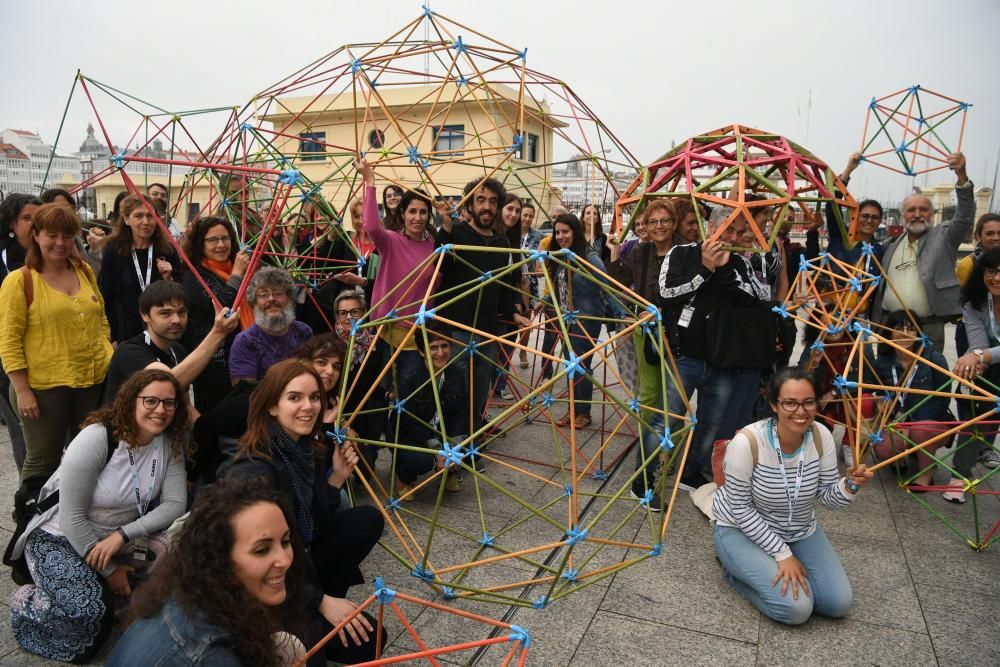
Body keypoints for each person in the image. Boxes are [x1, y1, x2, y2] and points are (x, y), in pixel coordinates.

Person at [9, 369, 190, 662]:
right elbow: (72, 518)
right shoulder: (98, 437)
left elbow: (174, 504)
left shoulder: (169, 442)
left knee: (171, 556)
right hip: (61, 538)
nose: (161, 410)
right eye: (151, 401)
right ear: (132, 401)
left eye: (169, 403)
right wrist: (111, 571)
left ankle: (111, 591)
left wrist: (122, 536)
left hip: (117, 539)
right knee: (89, 613)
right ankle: (29, 602)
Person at [225, 359, 384, 663]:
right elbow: (251, 559)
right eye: (294, 398)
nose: (308, 407)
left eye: (314, 397)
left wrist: (336, 477)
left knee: (367, 519)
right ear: (272, 406)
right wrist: (319, 600)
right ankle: (302, 614)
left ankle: (320, 602)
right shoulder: (254, 468)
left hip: (299, 563)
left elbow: (316, 526)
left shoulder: (304, 449)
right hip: (261, 587)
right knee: (319, 655)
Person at [712, 367, 873, 625]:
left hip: (799, 530)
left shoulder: (821, 436)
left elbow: (828, 498)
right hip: (740, 530)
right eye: (790, 403)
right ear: (774, 405)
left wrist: (850, 485)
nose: (800, 411)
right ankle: (733, 571)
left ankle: (766, 571)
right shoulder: (748, 442)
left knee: (838, 604)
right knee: (796, 610)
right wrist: (782, 554)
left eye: (808, 402)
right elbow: (739, 509)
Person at [108, 479, 308, 666]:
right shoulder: (212, 656)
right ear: (219, 560)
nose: (284, 560)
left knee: (289, 647)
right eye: (262, 550)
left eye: (285, 541)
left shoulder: (189, 589)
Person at [0, 203, 113, 486]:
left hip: (90, 381)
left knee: (85, 455)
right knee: (43, 461)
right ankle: (30, 520)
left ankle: (73, 516)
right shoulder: (20, 280)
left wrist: (107, 350)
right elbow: (9, 341)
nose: (60, 242)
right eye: (52, 234)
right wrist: (22, 390)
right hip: (43, 387)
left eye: (67, 235)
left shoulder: (84, 271)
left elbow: (101, 316)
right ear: (36, 235)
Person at [659, 208, 772, 489]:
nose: (732, 237)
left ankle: (691, 470)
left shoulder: (739, 263)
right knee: (666, 418)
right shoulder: (681, 253)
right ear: (711, 228)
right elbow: (667, 293)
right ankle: (646, 477)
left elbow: (752, 299)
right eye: (727, 230)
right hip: (684, 355)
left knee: (710, 422)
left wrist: (721, 269)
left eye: (737, 232)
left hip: (721, 358)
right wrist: (705, 270)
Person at [437, 177, 532, 435]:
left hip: (488, 332)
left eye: (492, 201)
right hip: (455, 329)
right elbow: (438, 269)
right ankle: (451, 445)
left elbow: (500, 289)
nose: (487, 207)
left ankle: (470, 441)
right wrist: (445, 228)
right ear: (469, 205)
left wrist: (514, 313)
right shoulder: (456, 234)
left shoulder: (501, 243)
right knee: (455, 392)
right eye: (480, 200)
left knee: (479, 394)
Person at [609, 200, 676, 503]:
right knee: (650, 401)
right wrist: (627, 312)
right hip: (647, 333)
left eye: (665, 220)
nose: (659, 226)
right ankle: (645, 473)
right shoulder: (641, 252)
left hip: (677, 336)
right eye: (653, 222)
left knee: (676, 403)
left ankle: (669, 458)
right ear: (645, 226)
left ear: (673, 223)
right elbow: (617, 282)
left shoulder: (684, 252)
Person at [871, 152, 973, 350]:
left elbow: (965, 217)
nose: (917, 215)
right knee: (885, 379)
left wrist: (961, 177)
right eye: (911, 210)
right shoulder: (889, 245)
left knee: (927, 379)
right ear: (903, 216)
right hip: (891, 326)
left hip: (929, 327)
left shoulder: (944, 237)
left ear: (932, 214)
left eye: (923, 209)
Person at [356, 159, 437, 392]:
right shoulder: (391, 241)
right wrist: (370, 181)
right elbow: (371, 226)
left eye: (423, 212)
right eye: (412, 211)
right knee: (380, 393)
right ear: (402, 214)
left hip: (416, 336)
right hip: (384, 332)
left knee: (409, 394)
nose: (418, 217)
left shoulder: (436, 248)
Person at [545, 213, 627, 428]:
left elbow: (607, 288)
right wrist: (544, 300)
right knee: (571, 367)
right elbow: (559, 286)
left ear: (575, 232)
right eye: (558, 232)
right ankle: (573, 410)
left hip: (586, 318)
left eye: (566, 232)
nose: (561, 236)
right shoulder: (562, 255)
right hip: (566, 319)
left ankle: (583, 413)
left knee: (581, 367)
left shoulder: (589, 258)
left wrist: (623, 314)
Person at [103, 280, 241, 408]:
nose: (176, 320)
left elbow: (186, 407)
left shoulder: (177, 350)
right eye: (165, 313)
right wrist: (218, 333)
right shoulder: (129, 351)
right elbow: (168, 385)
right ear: (145, 315)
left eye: (181, 312)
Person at [870, 312, 953, 490]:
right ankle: (900, 459)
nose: (905, 333)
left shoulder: (934, 359)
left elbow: (943, 400)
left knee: (919, 431)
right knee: (882, 448)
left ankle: (926, 474)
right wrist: (879, 401)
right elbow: (878, 391)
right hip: (897, 422)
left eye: (911, 328)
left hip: (930, 423)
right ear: (889, 332)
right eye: (899, 328)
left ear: (918, 333)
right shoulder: (883, 363)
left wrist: (911, 425)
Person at [180, 215, 254, 409]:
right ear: (200, 244)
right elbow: (223, 309)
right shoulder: (193, 275)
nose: (221, 245)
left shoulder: (241, 268)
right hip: (214, 361)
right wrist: (237, 275)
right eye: (213, 240)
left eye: (225, 238)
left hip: (244, 354)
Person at [390, 324, 467, 497]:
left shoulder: (457, 373)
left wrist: (454, 447)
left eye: (444, 346)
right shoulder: (408, 377)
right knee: (421, 460)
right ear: (422, 351)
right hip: (411, 436)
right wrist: (438, 449)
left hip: (442, 432)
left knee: (469, 449)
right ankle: (404, 477)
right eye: (433, 347)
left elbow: (461, 413)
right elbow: (409, 423)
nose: (440, 353)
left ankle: (449, 471)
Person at [950, 247, 1000, 503]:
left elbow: (984, 352)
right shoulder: (975, 304)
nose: (997, 278)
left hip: (994, 363)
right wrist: (974, 362)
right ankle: (959, 475)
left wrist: (981, 357)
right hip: (992, 368)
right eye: (991, 271)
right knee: (972, 403)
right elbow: (978, 342)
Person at [99, 193, 181, 344]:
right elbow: (105, 297)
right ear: (126, 219)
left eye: (150, 216)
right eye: (138, 216)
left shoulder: (166, 251)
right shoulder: (114, 251)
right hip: (127, 333)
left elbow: (180, 297)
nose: (146, 222)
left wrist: (169, 280)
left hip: (163, 332)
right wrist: (113, 337)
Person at [0, 194, 41, 472]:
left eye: (39, 218)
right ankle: (29, 503)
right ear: (12, 224)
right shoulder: (4, 260)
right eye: (27, 218)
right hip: (11, 363)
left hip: (51, 361)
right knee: (25, 439)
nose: (34, 225)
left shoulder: (54, 258)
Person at [229, 266, 313, 383]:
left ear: (289, 299)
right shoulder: (245, 341)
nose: (271, 299)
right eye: (263, 294)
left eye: (278, 293)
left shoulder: (303, 332)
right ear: (254, 303)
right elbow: (244, 394)